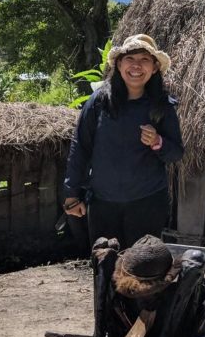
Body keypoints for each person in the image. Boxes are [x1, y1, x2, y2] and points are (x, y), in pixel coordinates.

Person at [63, 34, 184, 248]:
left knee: (142, 271)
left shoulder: (162, 106)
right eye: (130, 59)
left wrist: (158, 142)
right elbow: (80, 147)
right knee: (105, 268)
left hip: (148, 204)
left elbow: (176, 153)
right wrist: (72, 194)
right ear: (119, 64)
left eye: (144, 60)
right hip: (103, 204)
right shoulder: (99, 102)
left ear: (155, 68)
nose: (136, 66)